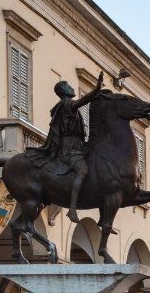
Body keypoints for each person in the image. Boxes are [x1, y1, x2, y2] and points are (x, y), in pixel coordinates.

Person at [26, 72, 104, 223]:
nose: (72, 88)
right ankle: (72, 209)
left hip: (78, 145)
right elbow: (83, 101)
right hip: (70, 148)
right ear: (63, 91)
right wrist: (97, 88)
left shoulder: (64, 106)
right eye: (68, 86)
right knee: (83, 170)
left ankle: (103, 216)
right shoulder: (67, 104)